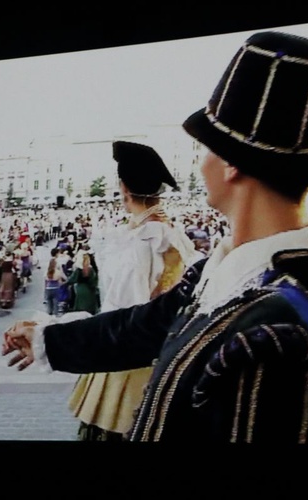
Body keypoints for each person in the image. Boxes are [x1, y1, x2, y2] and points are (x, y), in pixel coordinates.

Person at [2, 31, 308, 445]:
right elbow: (144, 326)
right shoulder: (234, 275)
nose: (201, 165)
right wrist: (47, 339)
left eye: (205, 150)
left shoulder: (277, 334)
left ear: (231, 163)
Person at [65, 140, 196, 441]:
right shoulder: (173, 234)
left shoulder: (139, 242)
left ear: (123, 187)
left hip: (128, 360)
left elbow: (122, 312)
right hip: (164, 357)